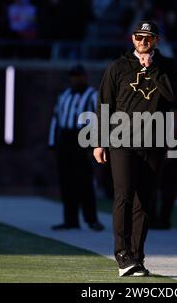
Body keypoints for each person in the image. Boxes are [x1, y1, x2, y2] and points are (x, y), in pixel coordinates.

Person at [93, 21, 177, 276]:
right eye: (139, 37)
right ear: (132, 39)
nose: (143, 41)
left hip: (153, 141)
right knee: (124, 195)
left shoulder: (168, 66)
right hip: (122, 141)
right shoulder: (118, 67)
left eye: (148, 38)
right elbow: (104, 105)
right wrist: (99, 141)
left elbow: (175, 96)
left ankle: (137, 256)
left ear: (156, 41)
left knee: (144, 200)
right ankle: (122, 256)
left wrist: (153, 70)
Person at [48, 65, 104, 232]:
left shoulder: (93, 95)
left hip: (83, 137)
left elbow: (99, 120)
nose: (76, 79)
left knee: (85, 180)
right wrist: (52, 142)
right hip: (65, 138)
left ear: (86, 77)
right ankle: (70, 219)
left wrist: (96, 143)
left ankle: (91, 219)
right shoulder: (64, 95)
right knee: (66, 181)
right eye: (73, 76)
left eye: (79, 76)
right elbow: (56, 119)